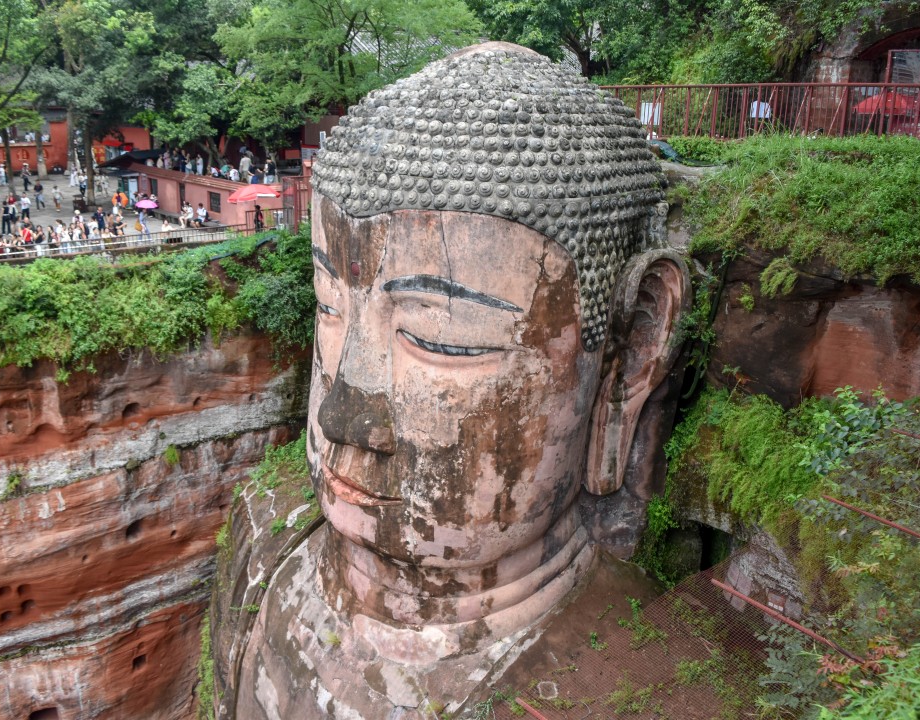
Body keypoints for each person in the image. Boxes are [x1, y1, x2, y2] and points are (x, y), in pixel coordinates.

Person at [224, 44, 689, 719]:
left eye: (438, 339)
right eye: (328, 306)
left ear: (631, 352)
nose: (341, 417)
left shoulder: (637, 690)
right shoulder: (266, 556)